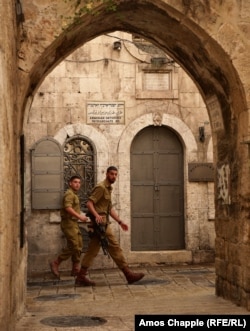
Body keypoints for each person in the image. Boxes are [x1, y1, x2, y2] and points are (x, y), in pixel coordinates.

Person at [75, 166, 145, 286]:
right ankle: (128, 274)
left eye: (115, 174)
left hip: (102, 223)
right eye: (112, 174)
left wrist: (120, 221)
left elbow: (110, 209)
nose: (114, 176)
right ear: (107, 174)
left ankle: (81, 276)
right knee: (114, 246)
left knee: (92, 250)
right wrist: (96, 215)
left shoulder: (108, 189)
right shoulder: (101, 187)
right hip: (100, 224)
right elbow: (89, 203)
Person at [50, 175, 89, 279]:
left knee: (79, 244)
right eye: (75, 182)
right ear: (70, 183)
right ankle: (56, 262)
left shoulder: (75, 195)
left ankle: (75, 269)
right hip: (68, 223)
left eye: (79, 182)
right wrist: (80, 216)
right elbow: (68, 208)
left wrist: (81, 216)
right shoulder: (69, 194)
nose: (77, 184)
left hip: (74, 223)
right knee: (74, 246)